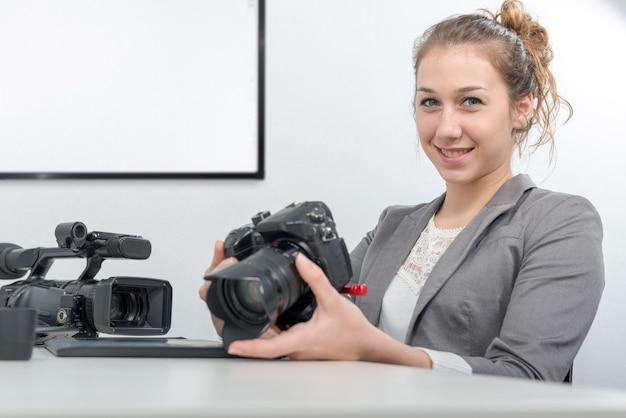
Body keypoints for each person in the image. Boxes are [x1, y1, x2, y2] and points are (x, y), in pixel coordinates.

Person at [198, 0, 604, 382]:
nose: (446, 128)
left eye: (471, 101)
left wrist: (372, 350)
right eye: (430, 102)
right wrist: (247, 316)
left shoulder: (560, 222)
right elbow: (322, 339)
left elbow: (528, 378)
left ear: (521, 108)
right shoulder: (392, 226)